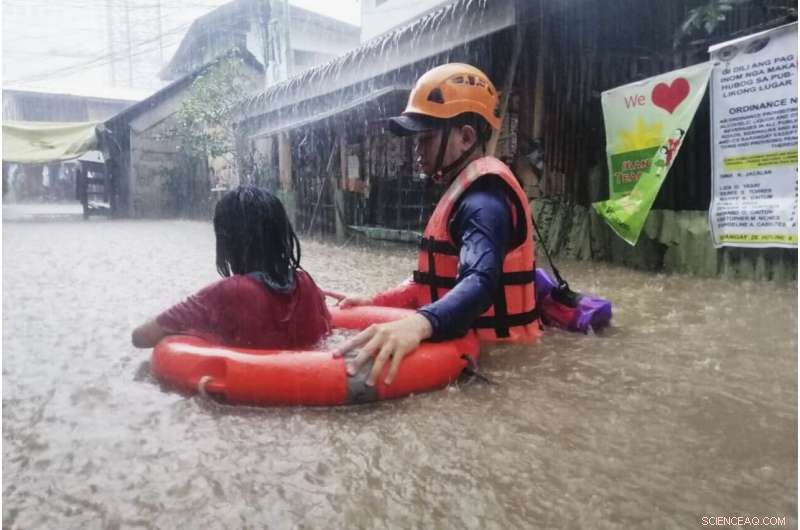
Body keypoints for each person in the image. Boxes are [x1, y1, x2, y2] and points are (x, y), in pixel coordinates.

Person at [334, 63, 539, 387]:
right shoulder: (464, 192)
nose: (417, 151)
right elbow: (435, 283)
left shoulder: (483, 203)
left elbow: (480, 281)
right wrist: (376, 301)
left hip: (500, 365)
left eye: (426, 139)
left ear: (466, 137)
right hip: (474, 350)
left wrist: (418, 325)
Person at [131, 186, 331, 349]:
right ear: (283, 234)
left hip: (249, 393)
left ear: (227, 242)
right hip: (308, 381)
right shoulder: (306, 284)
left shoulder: (230, 291)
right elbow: (327, 330)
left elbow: (141, 337)